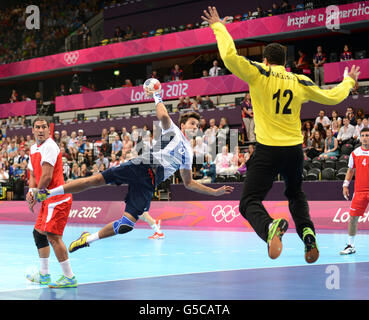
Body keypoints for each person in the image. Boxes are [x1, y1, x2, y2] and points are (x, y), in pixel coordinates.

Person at [201, 6, 360, 263]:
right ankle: (308, 234)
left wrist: (218, 26)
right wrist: (349, 82)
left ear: (265, 60)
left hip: (267, 149)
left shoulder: (258, 72)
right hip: (294, 151)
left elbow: (229, 57)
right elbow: (332, 97)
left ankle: (269, 227)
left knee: (249, 201)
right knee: (296, 194)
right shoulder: (299, 81)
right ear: (286, 63)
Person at [31, 83, 233, 254]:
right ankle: (48, 193)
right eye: (191, 123)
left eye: (197, 125)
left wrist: (214, 192)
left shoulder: (188, 152)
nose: (195, 127)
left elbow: (188, 183)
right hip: (142, 166)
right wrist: (156, 95)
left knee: (126, 225)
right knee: (94, 181)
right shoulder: (174, 130)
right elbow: (163, 116)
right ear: (182, 123)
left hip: (151, 181)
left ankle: (87, 239)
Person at [25, 116, 76, 288]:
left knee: (53, 237)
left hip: (57, 198)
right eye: (37, 127)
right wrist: (32, 193)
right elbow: (33, 174)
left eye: (44, 127)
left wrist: (37, 194)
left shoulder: (50, 146)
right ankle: (44, 275)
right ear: (32, 130)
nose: (40, 130)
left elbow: (46, 176)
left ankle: (69, 277)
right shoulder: (33, 149)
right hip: (47, 198)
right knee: (39, 234)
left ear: (48, 130)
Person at [341, 128, 369, 255]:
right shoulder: (355, 153)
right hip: (359, 192)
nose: (364, 138)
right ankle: (351, 245)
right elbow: (350, 170)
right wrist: (345, 185)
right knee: (353, 218)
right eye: (362, 135)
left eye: (367, 135)